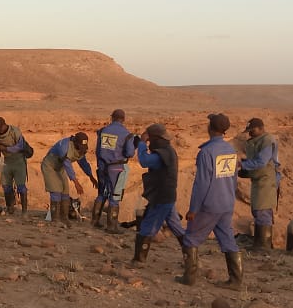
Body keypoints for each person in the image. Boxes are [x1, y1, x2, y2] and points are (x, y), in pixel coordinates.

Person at [178, 113, 242, 290]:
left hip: (210, 205)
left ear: (210, 128)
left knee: (191, 238)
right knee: (228, 240)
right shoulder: (230, 150)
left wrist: (193, 209)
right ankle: (236, 281)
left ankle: (189, 278)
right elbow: (233, 178)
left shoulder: (206, 152)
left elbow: (201, 184)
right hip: (227, 203)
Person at [131, 123, 185, 266]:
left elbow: (144, 161)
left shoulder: (161, 155)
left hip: (161, 197)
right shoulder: (169, 150)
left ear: (154, 138)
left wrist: (142, 143)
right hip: (168, 195)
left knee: (147, 226)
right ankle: (191, 258)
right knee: (176, 227)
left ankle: (139, 260)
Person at [239, 118, 281, 250]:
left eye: (252, 130)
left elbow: (261, 161)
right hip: (259, 180)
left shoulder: (267, 140)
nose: (250, 133)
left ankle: (263, 246)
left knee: (263, 210)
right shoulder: (258, 140)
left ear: (261, 128)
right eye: (249, 131)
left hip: (266, 180)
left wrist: (242, 165)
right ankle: (260, 244)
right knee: (258, 210)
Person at [93, 109, 136, 233]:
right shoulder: (126, 134)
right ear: (123, 119)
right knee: (115, 196)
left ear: (112, 117)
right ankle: (112, 226)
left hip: (102, 166)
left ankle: (95, 221)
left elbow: (97, 150)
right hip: (116, 168)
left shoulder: (103, 131)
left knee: (101, 193)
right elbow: (130, 153)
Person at [41, 132, 98, 227]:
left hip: (60, 168)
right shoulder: (64, 147)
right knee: (56, 191)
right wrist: (76, 183)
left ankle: (64, 218)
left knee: (65, 192)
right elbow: (68, 166)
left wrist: (91, 176)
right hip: (50, 167)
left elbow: (83, 163)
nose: (80, 150)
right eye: (79, 147)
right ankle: (55, 219)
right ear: (75, 143)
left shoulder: (80, 149)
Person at [0, 116, 28, 215]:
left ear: (4, 125)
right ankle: (10, 208)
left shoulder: (14, 131)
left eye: (0, 129)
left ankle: (24, 211)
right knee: (6, 185)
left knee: (21, 186)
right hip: (6, 161)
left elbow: (20, 146)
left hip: (19, 161)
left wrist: (6, 148)